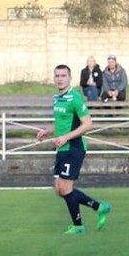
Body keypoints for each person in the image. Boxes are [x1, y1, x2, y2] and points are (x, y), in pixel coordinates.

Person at [36, 62, 111, 234]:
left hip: (74, 147)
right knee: (59, 189)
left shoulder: (75, 98)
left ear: (70, 78)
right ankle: (97, 208)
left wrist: (65, 138)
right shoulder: (57, 98)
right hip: (62, 148)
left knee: (65, 188)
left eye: (63, 76)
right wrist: (48, 131)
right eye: (57, 76)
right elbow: (62, 123)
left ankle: (81, 225)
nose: (60, 79)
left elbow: (88, 125)